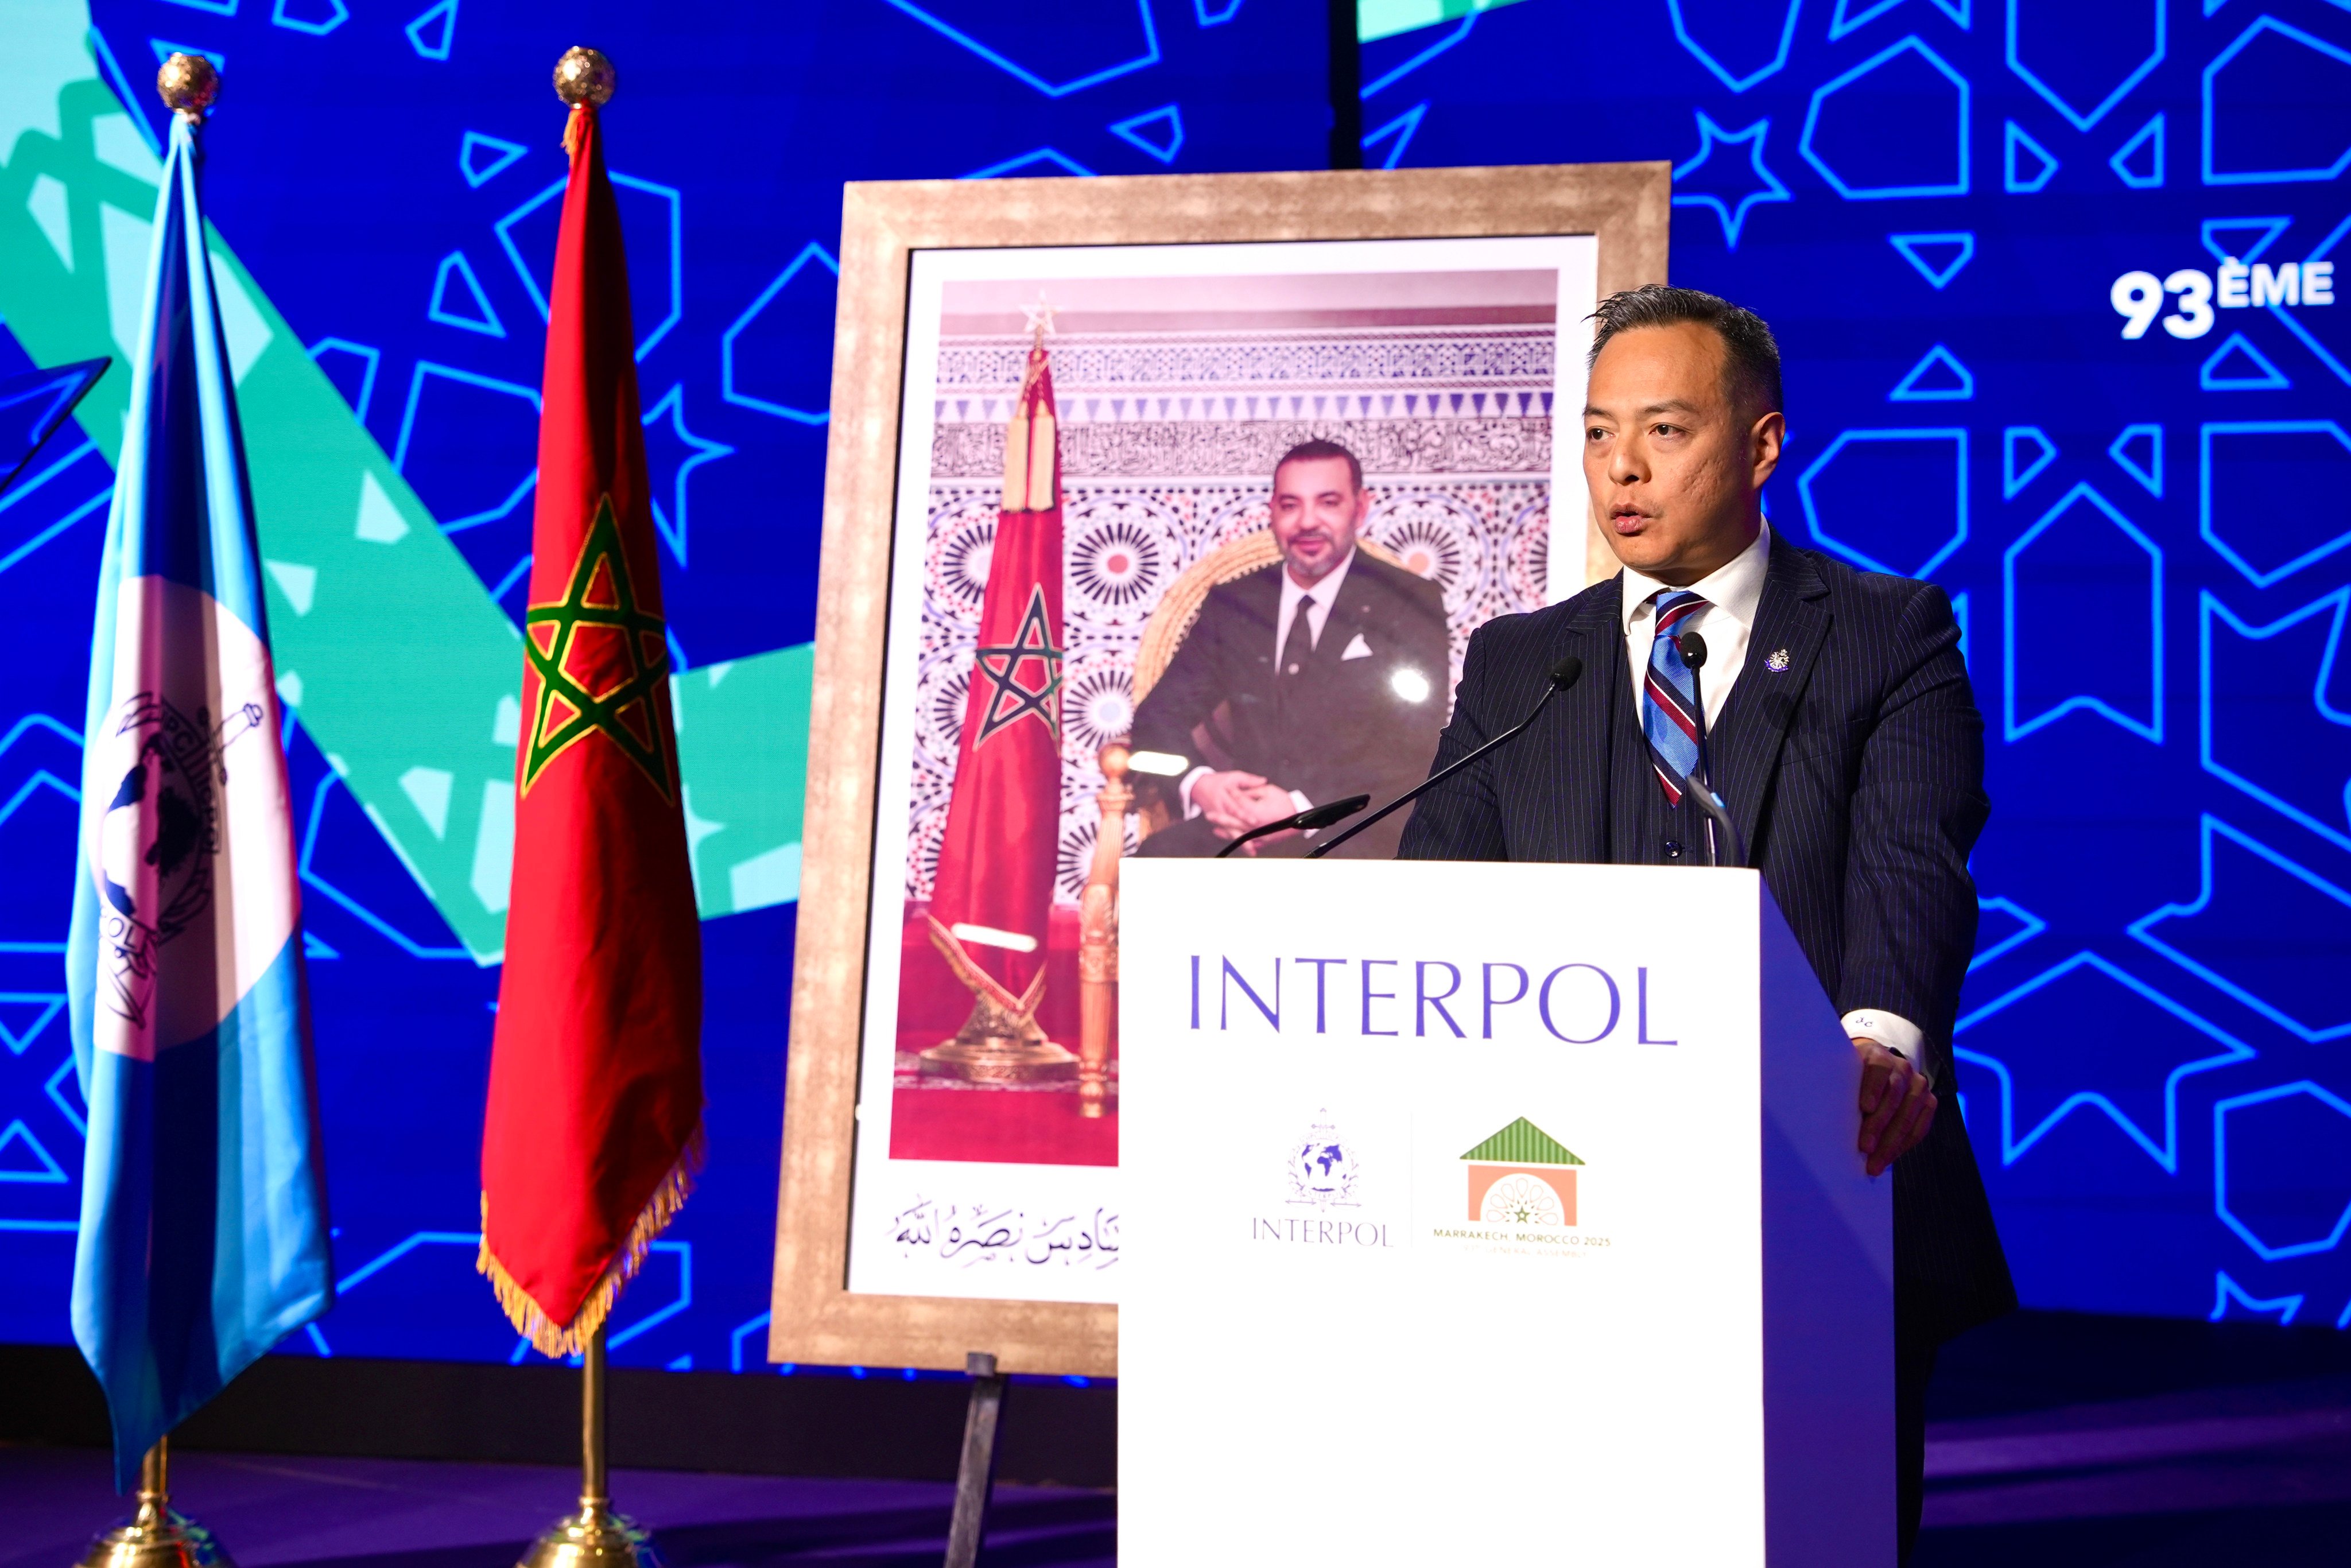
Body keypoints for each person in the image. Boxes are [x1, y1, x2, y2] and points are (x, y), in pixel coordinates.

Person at [1397, 285, 2012, 1562]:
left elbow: (1912, 861)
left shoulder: (1886, 631)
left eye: (1663, 431)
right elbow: (1441, 897)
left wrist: (1878, 1040)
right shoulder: (1521, 659)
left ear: (1760, 444)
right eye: (1595, 432)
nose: (1619, 468)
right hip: (1552, 1201)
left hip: (1812, 1185)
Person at [1131, 439, 1450, 859]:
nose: (1307, 522)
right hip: (1238, 831)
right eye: (1290, 505)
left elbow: (1417, 746)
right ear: (1272, 512)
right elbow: (1156, 718)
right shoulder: (1234, 602)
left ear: (1360, 508)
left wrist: (1302, 809)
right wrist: (1202, 785)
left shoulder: (1409, 600)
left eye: (1328, 503)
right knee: (1159, 863)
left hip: (1349, 829)